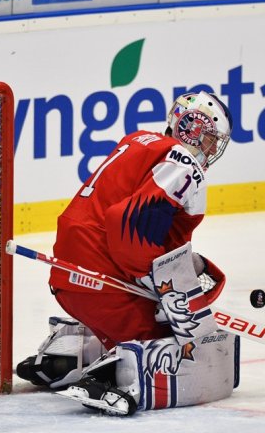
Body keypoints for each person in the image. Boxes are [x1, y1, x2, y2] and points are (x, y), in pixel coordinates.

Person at [16, 91, 240, 416]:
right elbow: (129, 227)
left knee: (149, 321)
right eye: (207, 137)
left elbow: (144, 231)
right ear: (189, 128)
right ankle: (111, 376)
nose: (210, 148)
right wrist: (163, 290)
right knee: (173, 341)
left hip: (70, 274)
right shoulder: (184, 164)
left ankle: (66, 355)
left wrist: (185, 269)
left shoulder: (140, 140)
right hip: (101, 277)